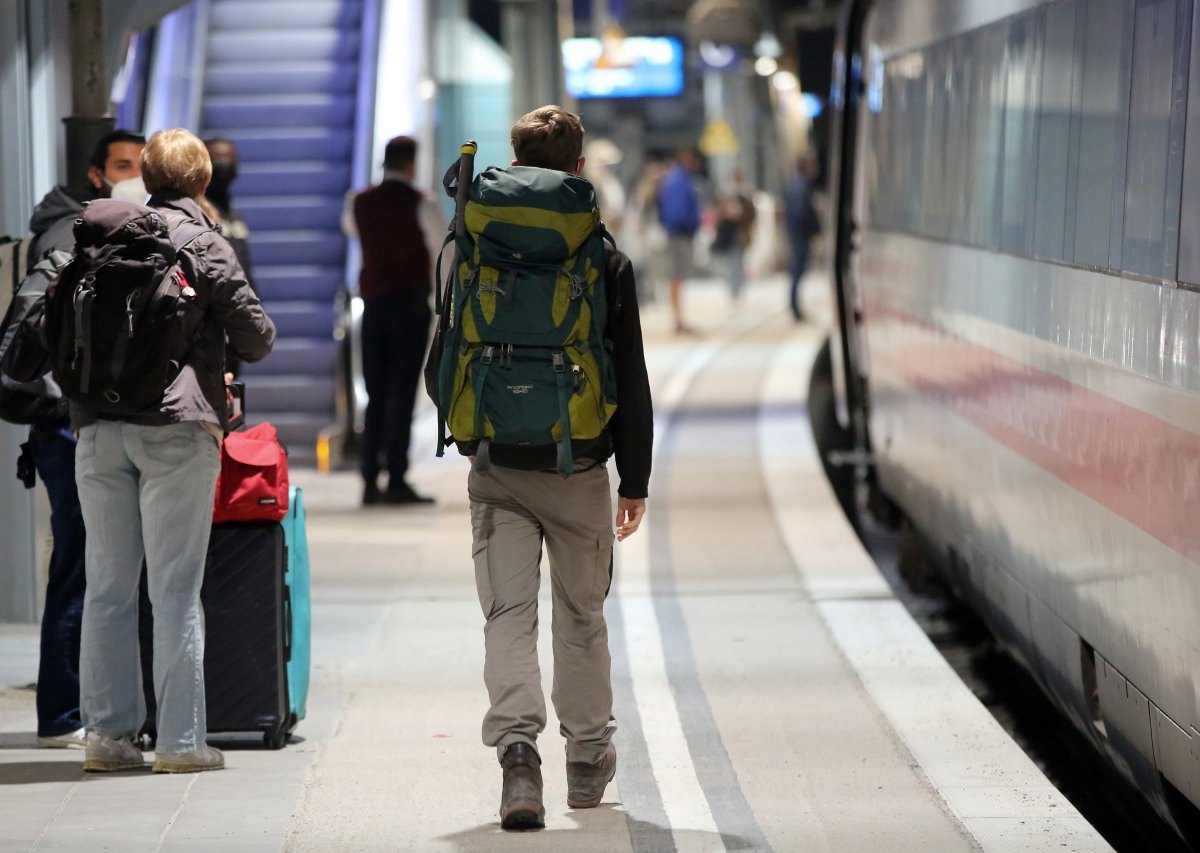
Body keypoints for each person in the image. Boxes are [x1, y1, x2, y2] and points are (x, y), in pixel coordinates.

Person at [458, 106, 653, 829]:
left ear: (514, 158)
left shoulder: (470, 243)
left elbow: (440, 364)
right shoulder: (602, 257)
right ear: (578, 168)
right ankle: (586, 757)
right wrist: (635, 481)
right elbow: (629, 376)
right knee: (581, 614)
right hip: (578, 467)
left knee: (507, 615)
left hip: (498, 464)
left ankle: (517, 759)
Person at [74, 129, 275, 774]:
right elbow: (259, 337)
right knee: (175, 588)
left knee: (106, 586)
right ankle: (180, 742)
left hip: (99, 427)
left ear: (144, 178)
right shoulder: (202, 242)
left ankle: (107, 738)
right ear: (203, 181)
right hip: (176, 431)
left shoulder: (103, 235)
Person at [18, 129, 147, 749]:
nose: (133, 177)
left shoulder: (118, 229)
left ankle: (83, 708)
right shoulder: (69, 234)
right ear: (97, 175)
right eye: (123, 167)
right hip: (64, 425)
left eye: (142, 168)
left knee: (96, 564)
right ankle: (64, 712)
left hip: (82, 422)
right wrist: (71, 393)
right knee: (80, 565)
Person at [344, 135, 443, 506]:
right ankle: (397, 477)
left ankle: (369, 479)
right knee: (402, 393)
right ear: (412, 164)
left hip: (373, 306)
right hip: (410, 306)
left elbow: (351, 230)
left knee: (375, 391)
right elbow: (441, 251)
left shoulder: (359, 202)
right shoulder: (422, 203)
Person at [203, 137, 257, 377]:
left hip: (236, 320)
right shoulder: (197, 215)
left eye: (230, 160)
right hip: (208, 324)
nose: (225, 166)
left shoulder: (236, 217)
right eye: (218, 160)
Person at [656, 147, 702, 334]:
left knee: (677, 277)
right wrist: (688, 227)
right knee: (675, 276)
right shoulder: (678, 180)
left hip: (677, 233)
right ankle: (677, 320)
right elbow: (677, 212)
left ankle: (679, 318)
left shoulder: (677, 178)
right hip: (678, 235)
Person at [784, 154, 821, 321]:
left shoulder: (793, 185)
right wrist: (814, 229)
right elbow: (802, 212)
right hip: (801, 234)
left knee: (797, 271)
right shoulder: (802, 186)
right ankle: (795, 307)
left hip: (795, 233)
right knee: (798, 271)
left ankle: (795, 306)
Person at [712, 170, 757, 302]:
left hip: (740, 233)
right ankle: (732, 290)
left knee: (738, 262)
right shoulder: (726, 195)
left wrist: (740, 215)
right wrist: (726, 213)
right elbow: (718, 213)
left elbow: (751, 214)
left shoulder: (745, 196)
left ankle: (738, 289)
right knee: (730, 263)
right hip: (728, 233)